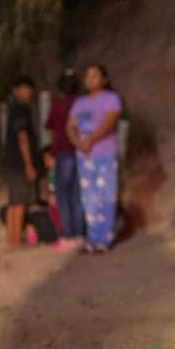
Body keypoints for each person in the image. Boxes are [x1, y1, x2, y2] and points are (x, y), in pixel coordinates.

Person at [66, 64, 122, 253]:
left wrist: (92, 138)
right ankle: (92, 237)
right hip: (84, 156)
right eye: (88, 76)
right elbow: (70, 126)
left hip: (104, 153)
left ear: (104, 79)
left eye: (95, 76)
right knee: (89, 198)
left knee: (106, 194)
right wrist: (78, 142)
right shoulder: (79, 103)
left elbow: (110, 121)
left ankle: (104, 239)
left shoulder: (111, 99)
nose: (91, 79)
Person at [43, 68, 84, 250]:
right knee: (77, 194)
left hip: (63, 152)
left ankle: (68, 236)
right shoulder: (82, 104)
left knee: (63, 195)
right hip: (81, 151)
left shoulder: (57, 105)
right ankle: (80, 234)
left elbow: (49, 128)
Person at [4, 75, 42, 251]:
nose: (30, 93)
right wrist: (28, 164)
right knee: (19, 202)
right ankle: (15, 240)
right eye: (27, 89)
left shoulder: (13, 110)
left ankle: (11, 238)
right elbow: (23, 137)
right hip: (19, 163)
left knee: (13, 202)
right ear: (18, 90)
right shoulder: (20, 110)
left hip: (11, 163)